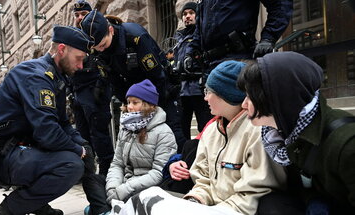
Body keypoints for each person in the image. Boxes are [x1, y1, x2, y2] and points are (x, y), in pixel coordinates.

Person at [0, 25, 94, 215]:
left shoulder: (56, 77)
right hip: (3, 154)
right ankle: (8, 210)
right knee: (71, 165)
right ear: (62, 49)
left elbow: (62, 123)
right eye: (79, 59)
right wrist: (77, 150)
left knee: (80, 155)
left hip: (20, 148)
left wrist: (83, 145)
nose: (81, 66)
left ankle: (39, 207)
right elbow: (47, 132)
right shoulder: (36, 75)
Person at [236, 51, 355, 214]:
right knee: (272, 204)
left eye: (250, 97)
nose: (243, 105)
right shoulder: (283, 135)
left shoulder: (347, 143)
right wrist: (314, 200)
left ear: (278, 98)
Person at [180, 60, 286, 214]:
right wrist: (195, 200)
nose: (205, 98)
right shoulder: (210, 131)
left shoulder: (259, 132)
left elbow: (255, 194)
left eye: (208, 91)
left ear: (226, 95)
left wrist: (215, 212)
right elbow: (203, 179)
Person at [80, 10, 187, 152]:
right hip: (135, 96)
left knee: (173, 135)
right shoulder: (99, 50)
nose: (101, 49)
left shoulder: (135, 37)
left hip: (161, 92)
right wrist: (130, 104)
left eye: (103, 44)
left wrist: (153, 108)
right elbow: (115, 82)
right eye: (97, 47)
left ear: (111, 30)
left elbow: (157, 76)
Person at [82, 79, 177, 215]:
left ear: (148, 105)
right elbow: (117, 164)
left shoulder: (163, 132)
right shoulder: (126, 128)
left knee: (93, 208)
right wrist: (112, 188)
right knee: (92, 179)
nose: (129, 107)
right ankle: (108, 210)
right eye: (128, 102)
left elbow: (158, 174)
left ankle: (103, 209)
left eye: (135, 102)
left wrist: (123, 190)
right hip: (123, 183)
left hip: (146, 187)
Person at [183, 0, 293, 90]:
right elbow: (200, 27)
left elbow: (280, 5)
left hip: (237, 60)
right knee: (219, 115)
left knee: (241, 113)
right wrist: (191, 52)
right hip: (211, 66)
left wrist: (268, 37)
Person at [71, 0, 115, 175]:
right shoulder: (74, 38)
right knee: (82, 137)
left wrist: (101, 87)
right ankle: (88, 172)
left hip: (95, 92)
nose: (80, 18)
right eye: (77, 15)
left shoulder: (97, 34)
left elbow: (107, 64)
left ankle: (106, 171)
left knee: (100, 136)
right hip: (78, 94)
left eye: (83, 14)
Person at [173, 2, 212, 139]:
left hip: (199, 88)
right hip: (183, 91)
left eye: (191, 13)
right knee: (182, 128)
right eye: (184, 14)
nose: (187, 16)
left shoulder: (202, 35)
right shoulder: (179, 39)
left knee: (205, 126)